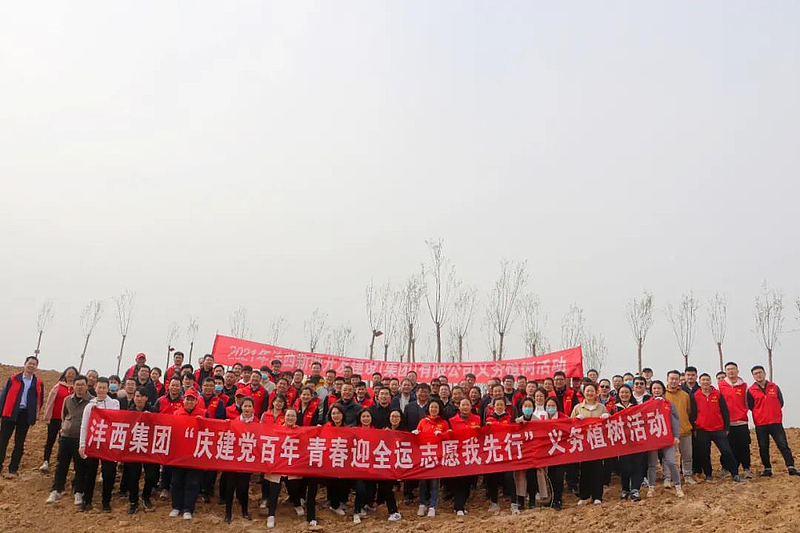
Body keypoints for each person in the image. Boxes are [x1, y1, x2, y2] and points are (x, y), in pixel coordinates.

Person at [689, 373, 743, 482]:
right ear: (699, 382)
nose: (705, 382)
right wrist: (694, 428)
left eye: (707, 380)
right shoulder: (695, 395)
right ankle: (708, 474)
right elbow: (693, 413)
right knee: (704, 454)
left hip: (718, 429)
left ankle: (735, 474)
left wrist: (726, 427)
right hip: (702, 429)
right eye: (703, 380)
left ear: (710, 381)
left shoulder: (717, 394)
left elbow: (724, 411)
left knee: (726, 451)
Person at [46, 374, 91, 505]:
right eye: (77, 385)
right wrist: (64, 428)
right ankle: (56, 490)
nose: (80, 387)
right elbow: (64, 416)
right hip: (66, 437)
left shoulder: (92, 402)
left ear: (87, 386)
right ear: (73, 386)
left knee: (80, 466)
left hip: (80, 439)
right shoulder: (67, 400)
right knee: (61, 465)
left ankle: (78, 492)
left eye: (82, 384)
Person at [747, 365, 799, 477]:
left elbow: (780, 402)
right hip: (761, 423)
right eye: (755, 373)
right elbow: (751, 406)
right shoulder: (751, 390)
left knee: (783, 445)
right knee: (763, 447)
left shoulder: (774, 387)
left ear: (764, 373)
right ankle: (767, 469)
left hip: (775, 422)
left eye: (760, 372)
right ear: (753, 376)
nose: (758, 375)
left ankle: (791, 467)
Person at [78, 377, 120, 511]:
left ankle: (106, 501)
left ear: (108, 389)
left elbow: (116, 419)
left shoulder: (114, 403)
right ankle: (87, 500)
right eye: (99, 387)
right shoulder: (89, 406)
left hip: (108, 444)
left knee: (109, 473)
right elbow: (84, 426)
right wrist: (82, 444)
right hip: (93, 443)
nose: (101, 390)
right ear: (95, 388)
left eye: (104, 388)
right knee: (90, 472)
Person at [0, 355, 45, 478]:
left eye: (34, 364)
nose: (32, 366)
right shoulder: (14, 378)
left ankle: (13, 468)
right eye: (30, 363)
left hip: (25, 414)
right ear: (25, 364)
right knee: (3, 441)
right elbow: (4, 395)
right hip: (10, 412)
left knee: (19, 443)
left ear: (36, 367)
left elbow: (39, 400)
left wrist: (33, 415)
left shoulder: (38, 383)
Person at [122, 387, 160, 513]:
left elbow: (161, 427)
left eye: (142, 396)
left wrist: (151, 418)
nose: (139, 399)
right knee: (133, 476)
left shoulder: (153, 411)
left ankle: (146, 496)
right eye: (137, 396)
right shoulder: (128, 412)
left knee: (151, 475)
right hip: (133, 447)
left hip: (149, 448)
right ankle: (133, 501)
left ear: (146, 398)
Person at [265, 408, 303, 529]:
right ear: (284, 417)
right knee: (274, 490)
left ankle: (297, 504)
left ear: (296, 418)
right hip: (278, 465)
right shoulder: (276, 429)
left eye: (293, 416)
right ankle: (271, 515)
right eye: (288, 415)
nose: (290, 418)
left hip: (292, 466)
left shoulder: (301, 431)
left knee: (293, 489)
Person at [571, 382, 608, 505]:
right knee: (584, 470)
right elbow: (570, 424)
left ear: (596, 392)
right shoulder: (578, 408)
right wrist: (576, 420)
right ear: (583, 392)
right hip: (584, 444)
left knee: (597, 470)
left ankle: (597, 496)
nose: (590, 393)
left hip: (597, 443)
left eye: (592, 391)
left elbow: (608, 425)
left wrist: (607, 417)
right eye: (587, 391)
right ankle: (584, 496)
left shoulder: (601, 408)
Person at [170, 389, 203, 519]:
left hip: (195, 455)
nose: (189, 402)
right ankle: (176, 506)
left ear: (196, 401)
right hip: (179, 454)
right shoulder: (176, 414)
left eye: (192, 399)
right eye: (187, 399)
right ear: (183, 401)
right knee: (176, 481)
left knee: (192, 482)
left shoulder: (203, 414)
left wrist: (202, 423)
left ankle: (188, 508)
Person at [648, 381, 684, 498]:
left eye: (658, 388)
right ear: (651, 391)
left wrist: (676, 436)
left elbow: (675, 421)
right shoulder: (647, 405)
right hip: (653, 439)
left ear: (663, 390)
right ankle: (651, 487)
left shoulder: (669, 404)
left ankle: (678, 486)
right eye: (654, 388)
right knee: (652, 464)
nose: (656, 390)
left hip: (667, 437)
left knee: (671, 462)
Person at [223, 396, 255, 523]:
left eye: (249, 406)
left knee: (243, 487)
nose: (247, 408)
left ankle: (244, 511)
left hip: (247, 460)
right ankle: (228, 513)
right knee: (230, 487)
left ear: (253, 408)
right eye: (245, 406)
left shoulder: (258, 423)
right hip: (233, 459)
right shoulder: (234, 422)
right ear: (241, 407)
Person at [415, 399, 448, 518]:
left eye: (436, 407)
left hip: (437, 457)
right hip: (424, 456)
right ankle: (422, 504)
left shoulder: (443, 423)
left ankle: (433, 506)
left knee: (434, 482)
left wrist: (442, 435)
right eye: (431, 407)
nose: (433, 409)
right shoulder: (423, 422)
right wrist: (415, 434)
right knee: (423, 482)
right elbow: (417, 436)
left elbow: (448, 439)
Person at [718, 361, 752, 478]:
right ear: (725, 372)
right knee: (727, 447)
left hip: (741, 421)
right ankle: (727, 468)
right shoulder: (721, 385)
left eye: (733, 369)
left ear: (737, 371)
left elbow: (748, 402)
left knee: (744, 446)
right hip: (727, 423)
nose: (731, 371)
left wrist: (743, 412)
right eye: (728, 369)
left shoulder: (744, 386)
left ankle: (746, 469)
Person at [40, 365, 77, 472]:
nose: (70, 375)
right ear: (65, 374)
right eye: (69, 373)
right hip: (55, 418)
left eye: (73, 374)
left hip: (67, 420)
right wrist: (47, 416)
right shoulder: (58, 386)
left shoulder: (76, 388)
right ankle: (46, 461)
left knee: (62, 442)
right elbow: (50, 402)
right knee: (50, 440)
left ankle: (59, 462)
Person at [448, 398, 480, 518]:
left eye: (467, 405)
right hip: (458, 455)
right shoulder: (452, 421)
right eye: (463, 405)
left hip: (471, 454)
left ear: (471, 407)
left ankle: (462, 504)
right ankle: (458, 507)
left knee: (468, 482)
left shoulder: (477, 419)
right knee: (459, 481)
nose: (465, 407)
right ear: (459, 407)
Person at [612, 385, 644, 501]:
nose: (624, 395)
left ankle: (635, 489)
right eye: (622, 392)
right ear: (618, 394)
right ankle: (625, 489)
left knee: (637, 466)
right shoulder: (613, 408)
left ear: (631, 394)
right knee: (625, 467)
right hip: (622, 442)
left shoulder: (637, 407)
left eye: (627, 392)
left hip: (637, 441)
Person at [665, 369, 695, 485]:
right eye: (671, 379)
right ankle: (668, 478)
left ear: (680, 380)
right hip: (669, 432)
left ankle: (687, 475)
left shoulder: (685, 395)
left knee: (687, 456)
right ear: (667, 379)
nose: (673, 381)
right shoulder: (663, 395)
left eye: (676, 379)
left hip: (684, 430)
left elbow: (688, 411)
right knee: (668, 457)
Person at [484, 396, 513, 511]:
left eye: (501, 404)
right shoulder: (489, 419)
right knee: (492, 478)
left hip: (507, 452)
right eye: (497, 405)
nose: (499, 407)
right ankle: (494, 502)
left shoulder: (510, 418)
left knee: (509, 478)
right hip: (493, 452)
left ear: (505, 406)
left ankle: (513, 502)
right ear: (493, 406)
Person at [352, 408, 377, 524]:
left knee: (370, 489)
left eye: (368, 416)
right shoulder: (354, 431)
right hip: (358, 466)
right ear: (359, 418)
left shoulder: (377, 432)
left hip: (372, 466)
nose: (366, 419)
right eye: (363, 416)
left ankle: (364, 506)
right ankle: (356, 511)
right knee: (360, 489)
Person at [323, 404, 349, 516]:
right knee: (332, 482)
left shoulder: (348, 429)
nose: (336, 416)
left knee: (343, 482)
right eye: (333, 413)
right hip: (330, 460)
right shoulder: (326, 428)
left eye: (338, 413)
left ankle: (341, 501)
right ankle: (334, 504)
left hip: (343, 460)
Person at [543, 396, 567, 510]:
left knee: (559, 476)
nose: (550, 407)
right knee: (551, 475)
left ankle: (558, 499)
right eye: (548, 405)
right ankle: (553, 498)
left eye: (553, 405)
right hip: (549, 452)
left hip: (561, 451)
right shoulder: (542, 418)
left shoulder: (562, 417)